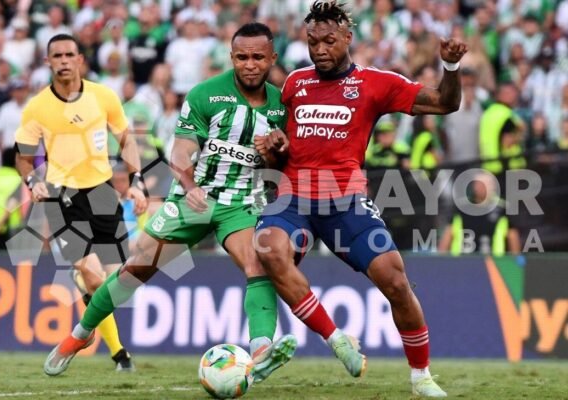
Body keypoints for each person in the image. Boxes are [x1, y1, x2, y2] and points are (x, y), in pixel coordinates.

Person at [43, 22, 297, 383]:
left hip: (240, 204)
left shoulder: (282, 106)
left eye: (258, 57)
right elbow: (181, 150)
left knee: (258, 266)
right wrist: (190, 184)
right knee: (136, 270)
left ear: (272, 57)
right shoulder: (207, 94)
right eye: (242, 57)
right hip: (193, 199)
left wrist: (275, 152)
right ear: (231, 57)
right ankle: (79, 335)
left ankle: (259, 352)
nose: (250, 64)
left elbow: (279, 166)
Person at [254, 1, 467, 397]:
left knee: (397, 282)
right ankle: (335, 339)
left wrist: (450, 68)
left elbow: (444, 102)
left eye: (329, 41)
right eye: (312, 41)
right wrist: (274, 147)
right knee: (268, 253)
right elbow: (277, 142)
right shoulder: (294, 84)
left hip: (345, 204)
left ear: (348, 39)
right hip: (293, 200)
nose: (319, 49)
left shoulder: (376, 83)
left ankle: (421, 376)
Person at [14, 33, 147, 373]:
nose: (62, 60)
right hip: (61, 196)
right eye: (56, 55)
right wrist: (33, 182)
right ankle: (115, 352)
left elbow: (126, 141)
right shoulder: (37, 106)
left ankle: (92, 320)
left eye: (68, 54)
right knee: (90, 274)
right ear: (47, 62)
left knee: (115, 284)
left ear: (79, 60)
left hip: (102, 191)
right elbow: (23, 159)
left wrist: (136, 182)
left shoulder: (103, 97)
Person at [438, 172, 521, 256]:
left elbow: (512, 235)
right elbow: (448, 233)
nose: (490, 187)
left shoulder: (502, 208)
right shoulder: (461, 207)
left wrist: (516, 260)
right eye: (485, 184)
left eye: (491, 184)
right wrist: (441, 258)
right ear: (475, 186)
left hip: (493, 262)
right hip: (462, 261)